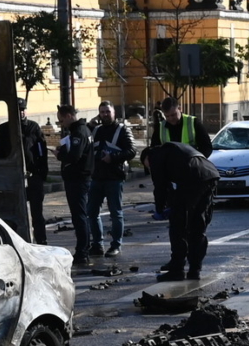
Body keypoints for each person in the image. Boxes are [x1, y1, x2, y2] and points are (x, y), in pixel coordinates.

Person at [144, 141, 219, 281]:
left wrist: (159, 208)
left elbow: (159, 185)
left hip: (192, 177)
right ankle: (194, 269)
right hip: (210, 174)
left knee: (178, 226)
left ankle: (177, 270)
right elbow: (171, 185)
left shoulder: (155, 156)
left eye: (146, 165)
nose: (148, 169)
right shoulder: (173, 150)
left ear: (147, 158)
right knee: (198, 224)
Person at [79, 101, 134, 257]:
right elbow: (84, 140)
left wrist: (114, 157)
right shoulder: (96, 130)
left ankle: (116, 245)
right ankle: (97, 245)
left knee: (115, 213)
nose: (105, 115)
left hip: (114, 177)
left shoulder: (123, 130)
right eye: (102, 112)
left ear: (113, 112)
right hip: (96, 177)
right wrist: (89, 124)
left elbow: (131, 151)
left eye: (107, 112)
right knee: (92, 212)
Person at [147, 95, 212, 218]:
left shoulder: (193, 122)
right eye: (167, 116)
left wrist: (197, 162)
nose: (171, 119)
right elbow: (155, 149)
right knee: (176, 211)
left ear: (180, 109)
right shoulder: (161, 127)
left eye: (173, 115)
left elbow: (207, 147)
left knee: (193, 211)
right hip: (171, 174)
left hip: (192, 172)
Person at [54, 104, 92, 254]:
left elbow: (75, 156)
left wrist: (60, 155)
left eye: (61, 121)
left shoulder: (79, 132)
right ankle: (84, 247)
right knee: (80, 215)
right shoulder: (81, 130)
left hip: (78, 178)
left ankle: (82, 250)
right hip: (79, 178)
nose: (61, 124)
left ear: (69, 116)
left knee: (79, 216)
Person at [19, 114, 51, 235]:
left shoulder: (33, 127)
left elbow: (42, 150)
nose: (21, 112)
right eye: (18, 109)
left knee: (37, 213)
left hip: (34, 175)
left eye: (23, 110)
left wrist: (43, 172)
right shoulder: (5, 128)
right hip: (14, 176)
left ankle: (41, 239)